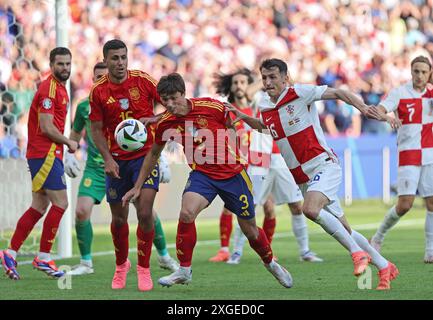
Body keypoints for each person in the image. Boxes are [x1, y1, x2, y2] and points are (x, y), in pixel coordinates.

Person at [227, 58, 399, 290]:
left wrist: (363, 109)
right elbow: (267, 128)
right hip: (302, 177)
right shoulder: (266, 106)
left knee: (309, 209)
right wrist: (244, 117)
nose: (267, 82)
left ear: (285, 78)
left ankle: (357, 253)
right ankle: (385, 266)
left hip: (322, 165)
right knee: (345, 228)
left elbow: (339, 92)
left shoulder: (299, 92)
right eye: (264, 78)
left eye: (272, 77)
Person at [122, 72, 293, 289]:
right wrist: (138, 186)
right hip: (202, 175)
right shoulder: (165, 122)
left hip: (232, 174)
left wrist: (234, 147)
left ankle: (271, 264)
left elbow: (234, 124)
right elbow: (153, 154)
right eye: (165, 100)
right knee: (186, 212)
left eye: (174, 97)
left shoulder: (211, 107)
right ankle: (184, 270)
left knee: (249, 229)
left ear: (184, 93)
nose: (170, 104)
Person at [65, 62, 178, 276]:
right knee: (81, 211)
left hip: (128, 162)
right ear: (92, 79)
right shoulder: (84, 106)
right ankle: (86, 263)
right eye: (97, 77)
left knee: (145, 212)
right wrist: (69, 154)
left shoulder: (129, 90)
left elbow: (166, 107)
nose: (101, 80)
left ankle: (163, 256)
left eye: (103, 76)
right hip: (96, 167)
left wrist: (160, 157)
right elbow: (76, 132)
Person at [207, 69, 322, 264]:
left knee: (295, 205)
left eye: (243, 82)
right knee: (247, 206)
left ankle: (305, 251)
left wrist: (271, 78)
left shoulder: (263, 99)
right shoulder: (239, 107)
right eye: (236, 83)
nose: (239, 87)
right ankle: (235, 252)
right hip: (257, 160)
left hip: (280, 157)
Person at [89, 39, 171, 291]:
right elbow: (95, 129)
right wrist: (107, 158)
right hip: (117, 163)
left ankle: (143, 268)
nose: (121, 62)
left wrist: (155, 119)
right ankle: (121, 265)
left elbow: (173, 106)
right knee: (119, 218)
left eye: (124, 57)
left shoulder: (143, 80)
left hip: (146, 157)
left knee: (145, 212)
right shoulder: (98, 91)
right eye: (115, 58)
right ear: (105, 60)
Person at [0, 47, 77, 280]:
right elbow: (46, 126)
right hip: (45, 154)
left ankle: (10, 253)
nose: (65, 68)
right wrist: (69, 142)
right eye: (60, 64)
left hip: (47, 153)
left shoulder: (60, 88)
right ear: (52, 64)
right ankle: (43, 257)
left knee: (39, 207)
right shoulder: (49, 88)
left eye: (67, 64)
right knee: (61, 203)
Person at [369, 56, 433, 263]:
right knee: (405, 204)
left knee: (432, 203)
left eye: (424, 72)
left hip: (430, 154)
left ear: (429, 73)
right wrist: (388, 117)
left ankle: (430, 251)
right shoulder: (400, 93)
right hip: (409, 154)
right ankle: (377, 237)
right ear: (411, 72)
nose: (420, 76)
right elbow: (377, 110)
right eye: (416, 71)